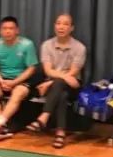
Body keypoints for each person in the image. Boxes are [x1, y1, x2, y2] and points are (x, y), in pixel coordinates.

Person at [27, 14, 87, 148]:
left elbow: (73, 73)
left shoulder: (80, 47)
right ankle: (60, 133)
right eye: (58, 23)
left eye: (65, 24)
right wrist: (53, 81)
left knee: (61, 86)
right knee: (61, 94)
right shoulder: (47, 45)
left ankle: (44, 116)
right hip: (55, 86)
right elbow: (48, 71)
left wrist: (50, 82)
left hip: (72, 85)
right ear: (54, 26)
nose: (61, 27)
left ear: (71, 28)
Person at [0, 16, 41, 141]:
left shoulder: (27, 44)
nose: (8, 31)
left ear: (17, 30)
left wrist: (14, 82)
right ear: (0, 31)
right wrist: (1, 81)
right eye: (4, 28)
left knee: (18, 92)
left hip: (21, 80)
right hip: (2, 79)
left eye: (11, 28)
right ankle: (0, 124)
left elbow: (31, 68)